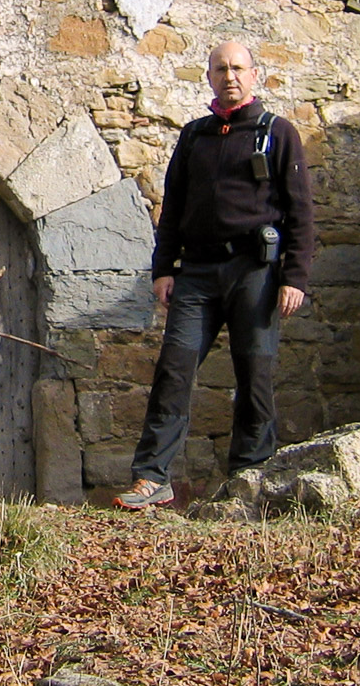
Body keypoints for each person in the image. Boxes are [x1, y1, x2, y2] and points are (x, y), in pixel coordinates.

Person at [115, 40, 315, 510]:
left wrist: (295, 277)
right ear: (209, 77)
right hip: (198, 274)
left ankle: (250, 479)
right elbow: (173, 207)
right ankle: (151, 478)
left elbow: (301, 212)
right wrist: (164, 268)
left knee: (255, 375)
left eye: (238, 68)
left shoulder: (277, 133)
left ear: (254, 75)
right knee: (173, 370)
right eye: (221, 69)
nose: (230, 76)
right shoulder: (194, 136)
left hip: (255, 272)